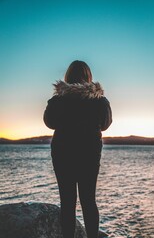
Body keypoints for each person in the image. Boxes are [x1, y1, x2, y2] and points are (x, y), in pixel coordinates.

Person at [43, 60, 112, 238]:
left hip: (62, 155)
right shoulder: (100, 101)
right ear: (89, 77)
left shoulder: (58, 99)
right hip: (89, 155)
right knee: (89, 201)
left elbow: (49, 122)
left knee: (67, 202)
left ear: (68, 77)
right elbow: (105, 125)